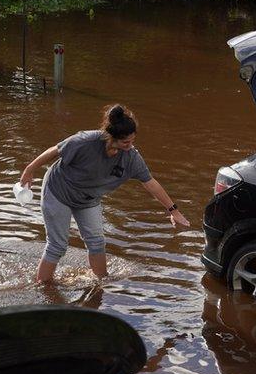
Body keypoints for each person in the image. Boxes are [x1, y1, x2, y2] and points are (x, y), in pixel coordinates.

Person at [20, 104, 190, 283]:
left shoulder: (131, 157)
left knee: (96, 242)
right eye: (126, 142)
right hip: (59, 192)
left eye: (132, 141)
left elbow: (151, 183)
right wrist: (30, 169)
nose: (130, 146)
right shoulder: (85, 141)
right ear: (111, 137)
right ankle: (43, 287)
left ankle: (101, 282)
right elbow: (55, 150)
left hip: (88, 199)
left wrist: (174, 211)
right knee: (58, 246)